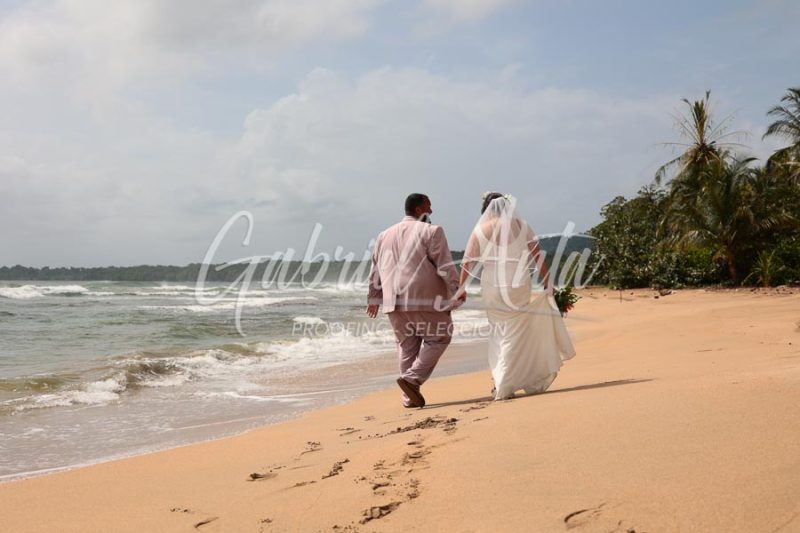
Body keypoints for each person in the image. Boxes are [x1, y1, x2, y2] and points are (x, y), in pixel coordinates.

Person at [458, 192, 575, 400]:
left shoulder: (480, 228)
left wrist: (461, 288)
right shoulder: (521, 225)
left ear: (486, 208)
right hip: (518, 281)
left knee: (499, 331)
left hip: (492, 284)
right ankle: (508, 379)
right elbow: (537, 255)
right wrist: (548, 282)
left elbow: (468, 261)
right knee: (516, 330)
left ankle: (503, 382)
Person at [366, 193, 465, 408]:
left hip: (393, 302)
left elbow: (375, 269)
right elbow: (444, 265)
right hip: (425, 299)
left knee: (407, 347)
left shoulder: (383, 235)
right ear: (419, 209)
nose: (431, 211)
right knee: (439, 338)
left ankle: (409, 397)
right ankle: (412, 379)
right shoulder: (432, 231)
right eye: (429, 207)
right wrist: (457, 289)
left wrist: (374, 298)